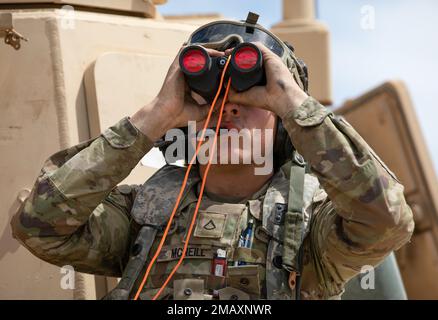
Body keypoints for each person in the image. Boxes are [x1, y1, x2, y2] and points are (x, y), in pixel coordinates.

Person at [10, 15, 414, 300]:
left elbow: (387, 221)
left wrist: (294, 104)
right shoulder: (147, 213)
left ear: (284, 124)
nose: (228, 107)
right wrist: (154, 117)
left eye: (249, 96)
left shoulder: (313, 228)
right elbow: (40, 225)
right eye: (214, 94)